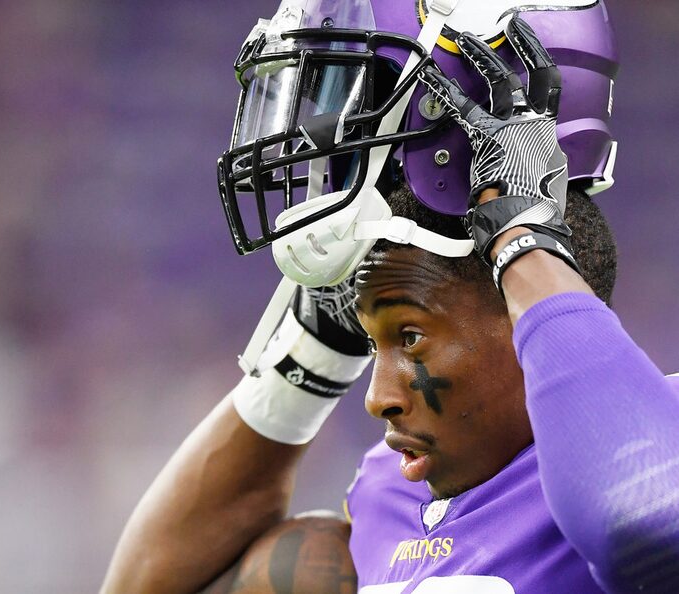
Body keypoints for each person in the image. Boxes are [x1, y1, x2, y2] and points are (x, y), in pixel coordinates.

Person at [101, 2, 679, 592]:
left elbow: (642, 526)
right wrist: (311, 359)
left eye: (409, 336)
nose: (377, 399)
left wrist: (523, 243)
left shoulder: (661, 425)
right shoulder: (390, 489)